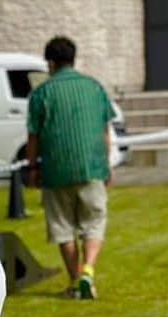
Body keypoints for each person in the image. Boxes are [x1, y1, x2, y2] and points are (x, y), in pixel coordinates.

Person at [26, 36, 114, 300]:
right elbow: (105, 130)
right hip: (92, 167)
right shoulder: (94, 87)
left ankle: (75, 280)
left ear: (51, 63)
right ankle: (88, 270)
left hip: (55, 170)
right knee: (94, 222)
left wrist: (32, 167)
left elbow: (33, 135)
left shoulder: (41, 93)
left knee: (62, 227)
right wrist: (106, 164)